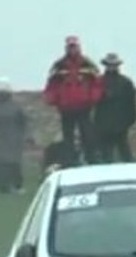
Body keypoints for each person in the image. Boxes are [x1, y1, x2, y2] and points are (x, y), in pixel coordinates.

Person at [43, 35, 102, 165]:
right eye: (70, 47)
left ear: (78, 47)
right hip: (66, 108)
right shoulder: (59, 66)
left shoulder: (88, 64)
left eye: (74, 47)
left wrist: (92, 98)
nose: (72, 49)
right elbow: (51, 85)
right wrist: (53, 99)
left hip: (84, 107)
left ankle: (91, 160)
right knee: (67, 137)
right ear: (66, 48)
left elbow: (97, 83)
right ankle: (69, 161)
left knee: (87, 135)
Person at [93, 53, 136, 163]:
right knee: (106, 154)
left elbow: (131, 103)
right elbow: (94, 101)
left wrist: (130, 120)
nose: (112, 67)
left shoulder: (126, 82)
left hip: (121, 123)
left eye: (114, 64)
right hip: (103, 124)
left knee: (125, 152)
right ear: (105, 65)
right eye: (109, 64)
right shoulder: (98, 82)